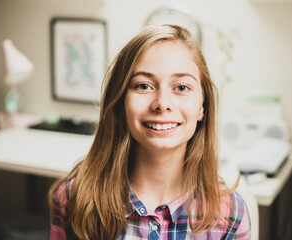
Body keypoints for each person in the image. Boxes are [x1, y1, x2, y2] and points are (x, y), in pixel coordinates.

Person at [48, 24, 250, 240]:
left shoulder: (231, 215)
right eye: (144, 86)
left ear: (203, 106)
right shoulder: (73, 200)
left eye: (181, 87)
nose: (162, 104)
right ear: (120, 102)